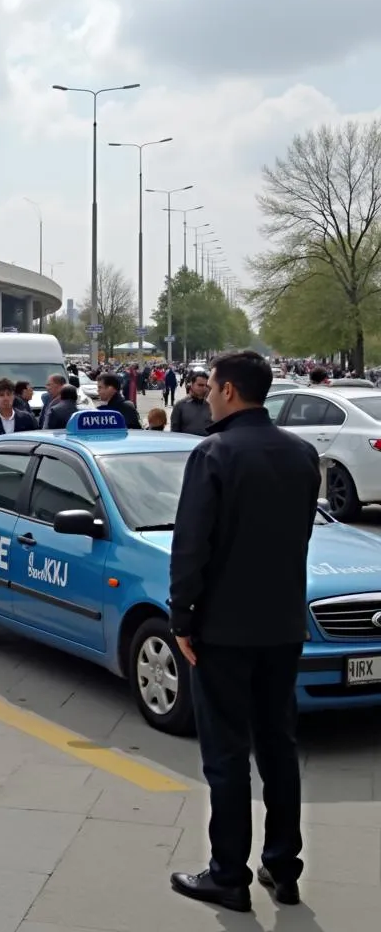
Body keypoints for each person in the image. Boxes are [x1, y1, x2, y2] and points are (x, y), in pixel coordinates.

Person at [168, 352, 320, 913]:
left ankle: (227, 873)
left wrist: (182, 616)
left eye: (210, 387)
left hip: (223, 630)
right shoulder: (302, 455)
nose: (206, 395)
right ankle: (283, 868)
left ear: (229, 391)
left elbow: (192, 544)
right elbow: (299, 537)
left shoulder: (214, 453)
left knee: (227, 754)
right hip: (283, 624)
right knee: (279, 746)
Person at [0, 377, 39, 444]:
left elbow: (36, 442)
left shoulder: (26, 418)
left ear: (14, 396)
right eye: (1, 395)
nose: (6, 398)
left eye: (9, 394)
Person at [170, 369, 212, 436]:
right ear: (192, 384)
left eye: (206, 386)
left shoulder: (213, 406)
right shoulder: (180, 406)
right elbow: (174, 432)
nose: (204, 388)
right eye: (200, 385)